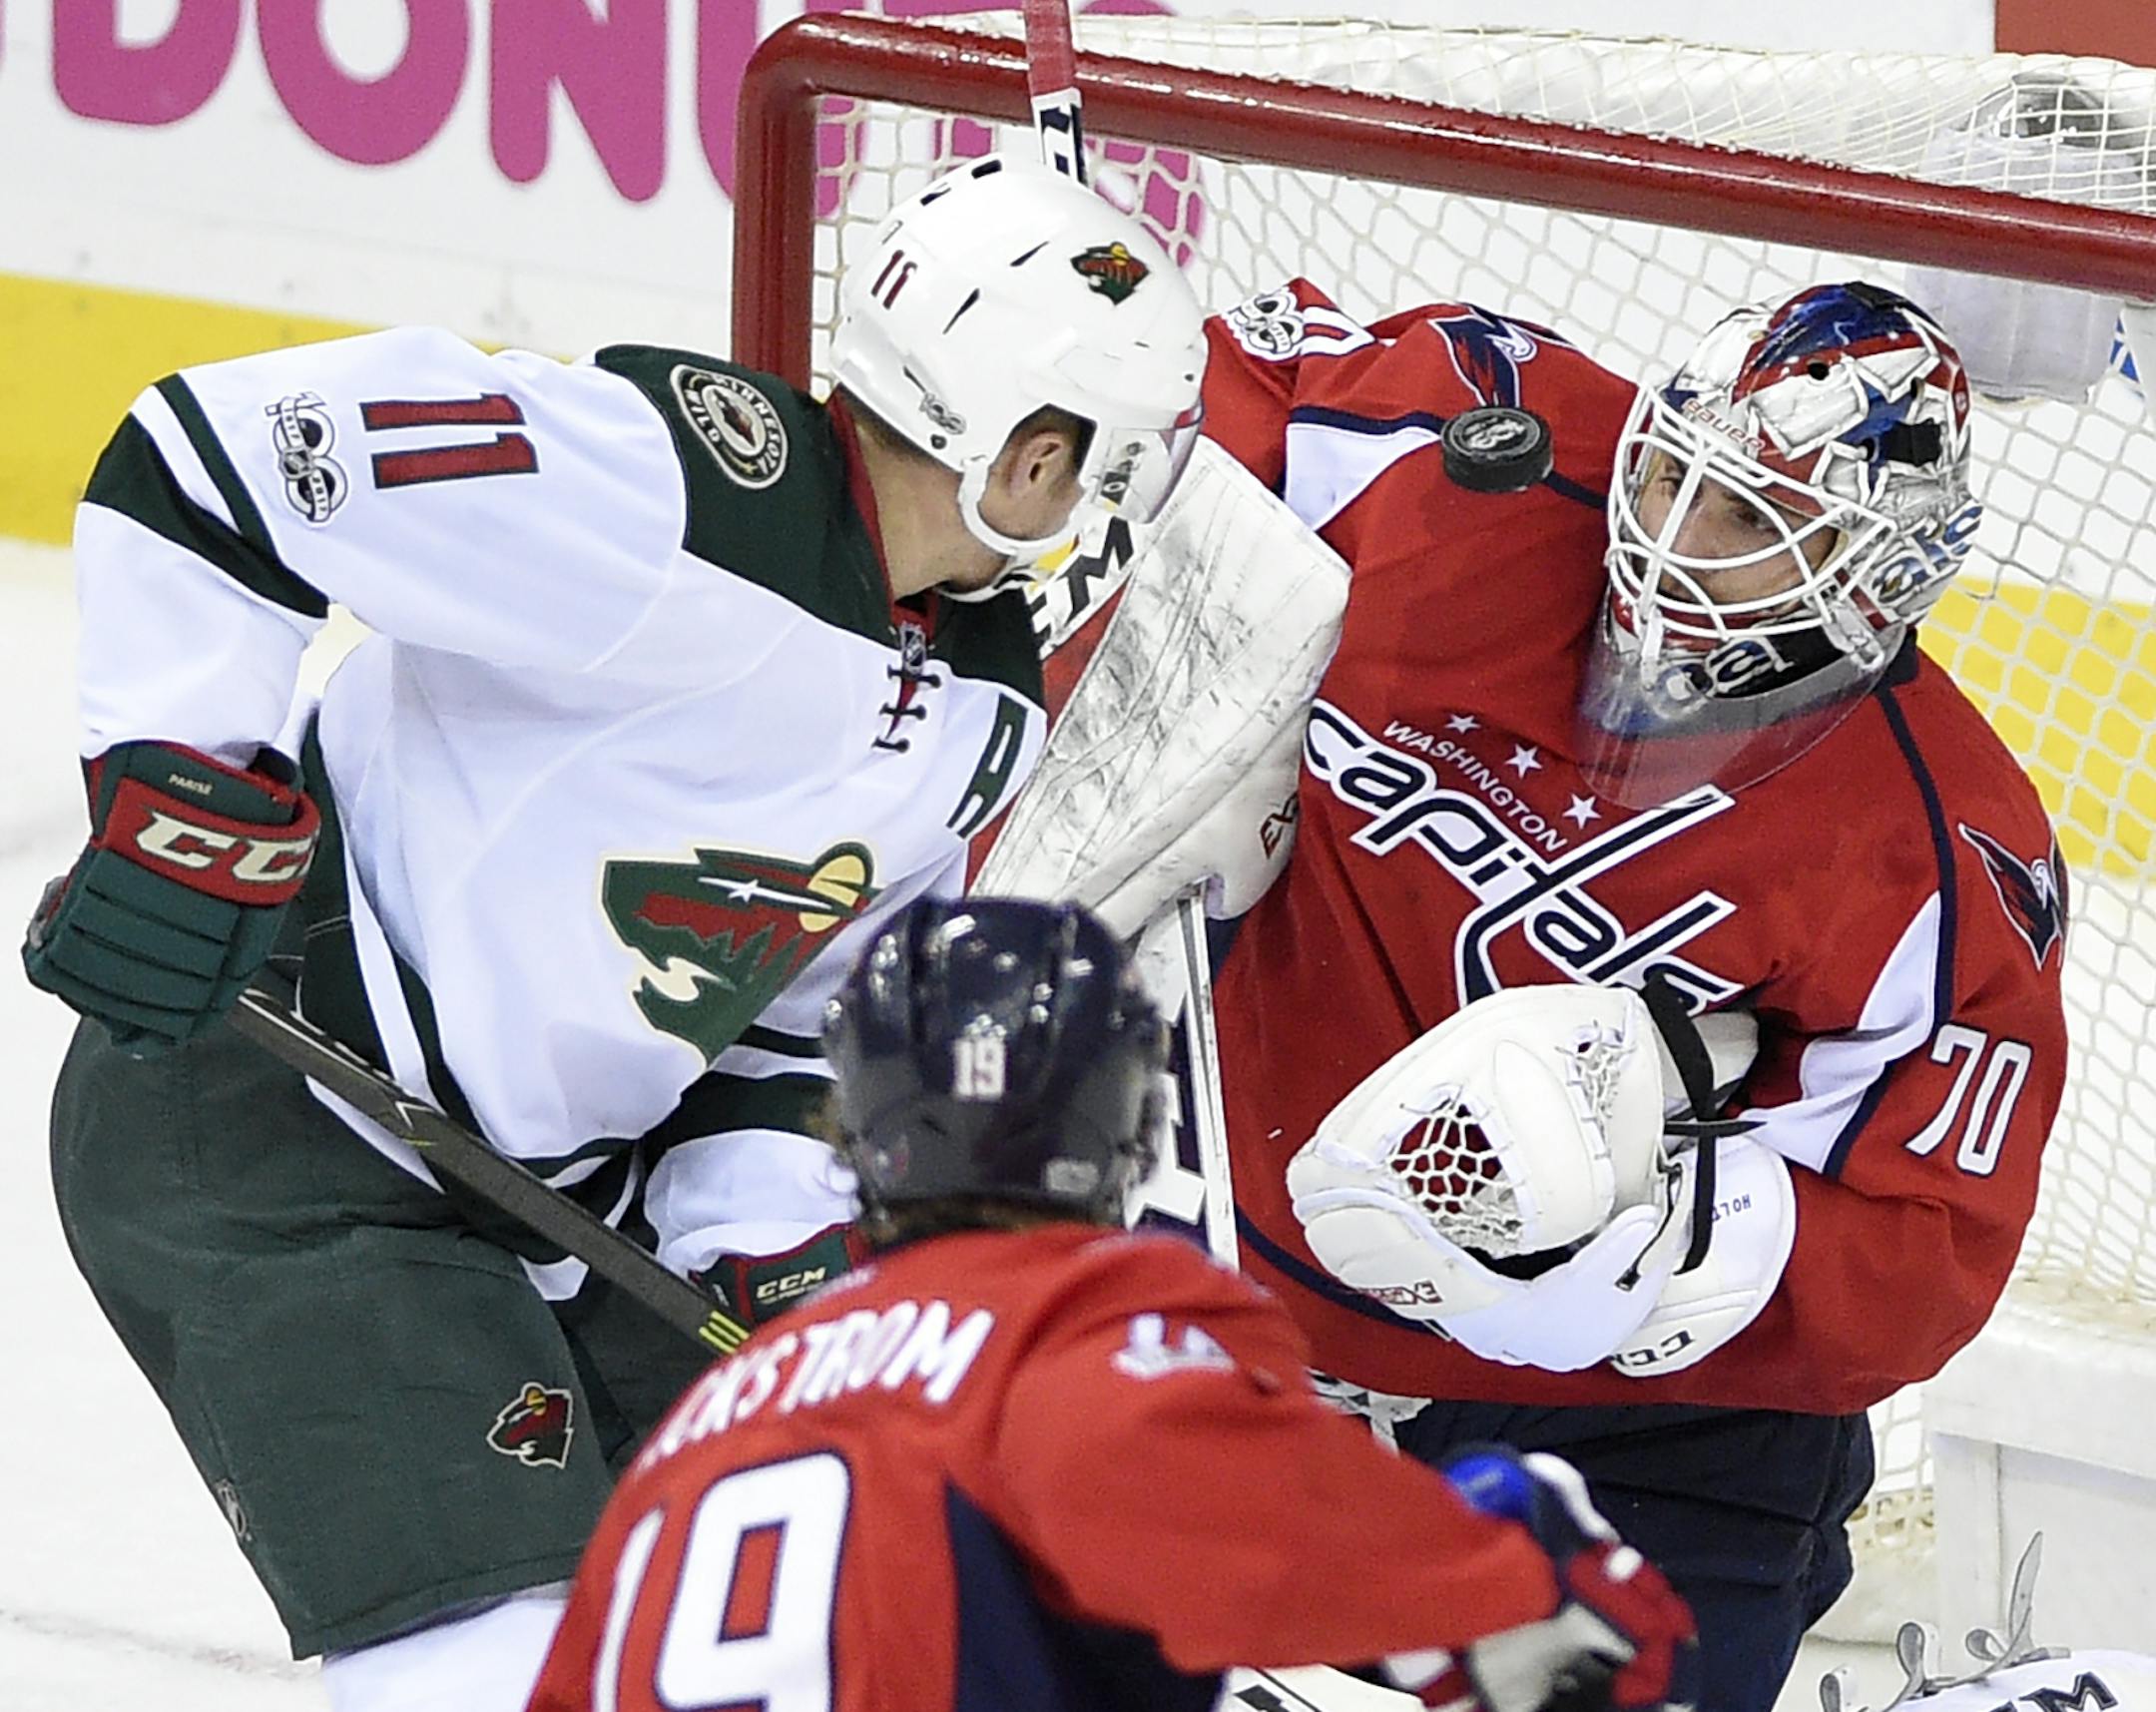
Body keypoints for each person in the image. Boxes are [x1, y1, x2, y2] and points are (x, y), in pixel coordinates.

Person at [21, 154, 1205, 1711]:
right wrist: (190, 791)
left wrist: (787, 1259)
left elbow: (790, 1027)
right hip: (280, 1130)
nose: (1096, 504)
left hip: (560, 1204)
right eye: (1102, 460)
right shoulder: (671, 490)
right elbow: (219, 460)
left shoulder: (980, 709)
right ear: (1032, 453)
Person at [1197, 279, 2069, 1710]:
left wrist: (1671, 1256)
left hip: (1641, 1447)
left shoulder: (1940, 854)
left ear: (1872, 565)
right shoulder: (1467, 454)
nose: (1662, 532)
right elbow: (1182, 408)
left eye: (1742, 515)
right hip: (1236, 1339)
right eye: (1667, 471)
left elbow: (1924, 1244)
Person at [526, 893, 1698, 1712]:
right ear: (1126, 1118)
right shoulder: (1074, 1323)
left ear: (857, 1126)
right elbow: (1240, 1530)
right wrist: (1511, 1559)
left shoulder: (708, 1422)